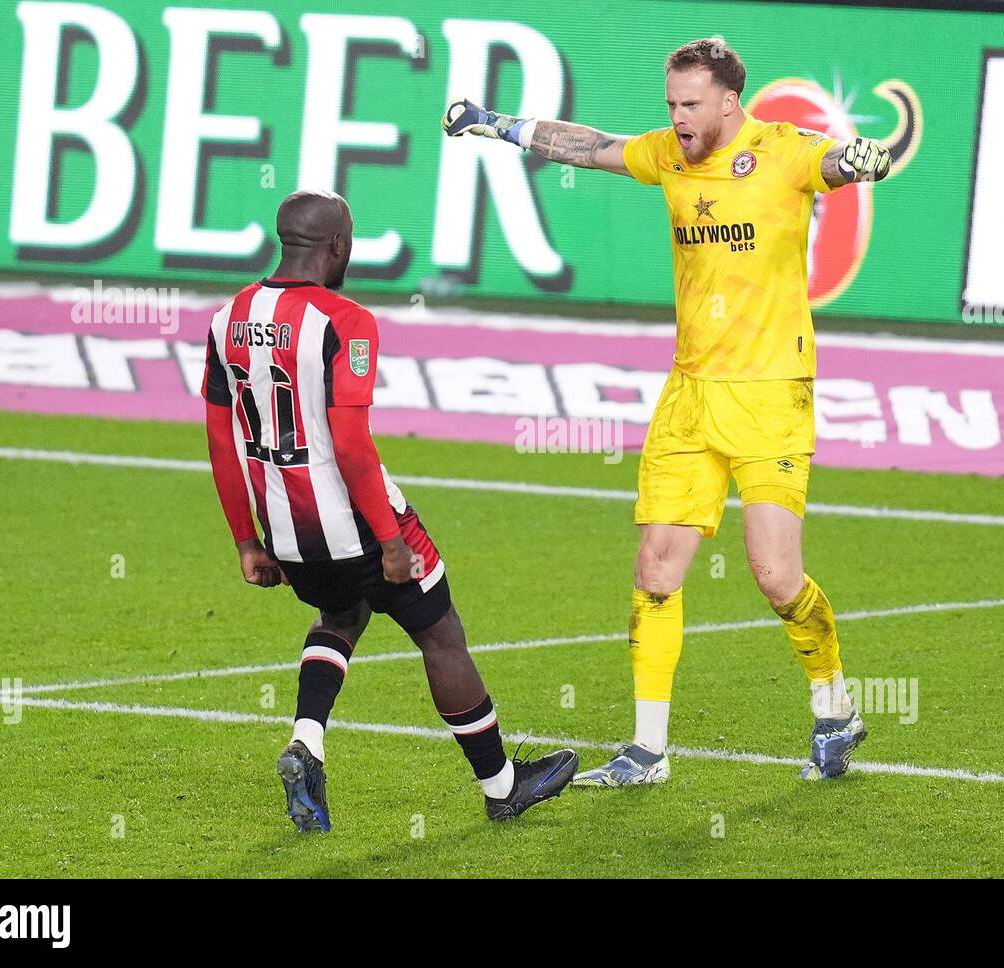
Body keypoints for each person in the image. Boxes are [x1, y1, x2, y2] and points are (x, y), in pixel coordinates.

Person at [443, 37, 893, 785]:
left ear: (727, 101)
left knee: (777, 577)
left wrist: (859, 159)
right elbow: (592, 147)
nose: (679, 118)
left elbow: (833, 163)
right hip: (689, 395)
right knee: (655, 569)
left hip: (771, 393)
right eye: (671, 105)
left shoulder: (779, 151)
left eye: (691, 105)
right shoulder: (669, 156)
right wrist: (499, 124)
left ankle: (834, 707)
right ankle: (648, 751)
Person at [203, 189, 577, 829]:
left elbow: (219, 439)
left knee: (340, 614)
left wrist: (246, 540)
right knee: (440, 632)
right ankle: (501, 786)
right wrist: (390, 538)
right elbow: (350, 442)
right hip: (355, 522)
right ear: (338, 247)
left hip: (287, 530)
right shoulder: (346, 321)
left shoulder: (224, 319)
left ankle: (307, 744)